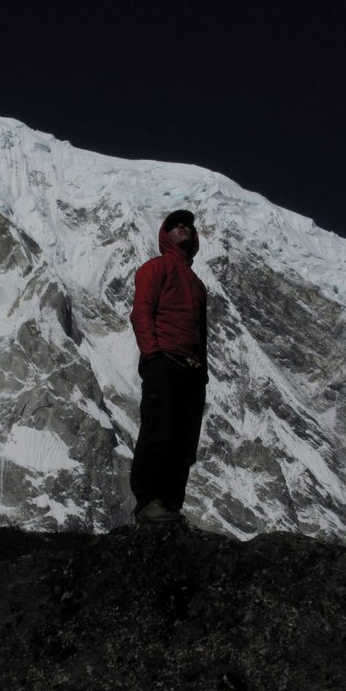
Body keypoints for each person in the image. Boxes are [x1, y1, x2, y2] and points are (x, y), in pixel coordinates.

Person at [128, 209, 208, 523]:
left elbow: (201, 331)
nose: (182, 228)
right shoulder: (155, 268)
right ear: (164, 236)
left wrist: (202, 372)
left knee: (184, 443)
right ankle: (148, 502)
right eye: (174, 225)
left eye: (186, 224)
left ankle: (170, 506)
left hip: (191, 370)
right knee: (159, 432)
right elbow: (141, 312)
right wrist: (153, 354)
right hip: (165, 362)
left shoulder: (198, 285)